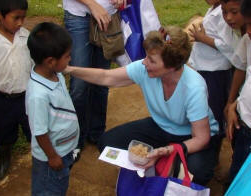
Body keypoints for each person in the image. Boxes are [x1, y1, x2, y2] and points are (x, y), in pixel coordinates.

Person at [65, 26, 220, 185]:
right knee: (107, 143)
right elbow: (106, 77)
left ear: (172, 66)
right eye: (147, 57)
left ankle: (165, 162)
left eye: (151, 60)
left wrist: (166, 151)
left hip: (191, 136)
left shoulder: (194, 87)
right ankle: (155, 166)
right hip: (161, 127)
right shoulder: (145, 69)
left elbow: (202, 138)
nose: (144, 63)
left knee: (198, 173)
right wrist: (69, 69)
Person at [62, 0, 124, 159]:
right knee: (79, 85)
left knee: (101, 83)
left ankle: (97, 133)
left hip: (108, 16)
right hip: (79, 15)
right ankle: (75, 140)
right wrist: (92, 4)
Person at [26, 22, 80, 196]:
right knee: (49, 190)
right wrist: (52, 157)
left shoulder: (55, 74)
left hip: (65, 150)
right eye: (67, 56)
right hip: (52, 158)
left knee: (60, 186)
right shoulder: (38, 95)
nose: (70, 59)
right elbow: (40, 132)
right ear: (50, 61)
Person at [0, 0, 32, 182]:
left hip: (28, 97)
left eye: (23, 17)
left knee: (35, 130)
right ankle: (4, 162)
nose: (21, 23)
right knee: (3, 133)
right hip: (2, 99)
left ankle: (41, 159)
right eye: (16, 18)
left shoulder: (27, 37)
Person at [189, 0, 244, 140]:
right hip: (206, 67)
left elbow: (228, 46)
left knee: (215, 108)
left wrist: (202, 38)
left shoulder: (222, 14)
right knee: (208, 104)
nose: (229, 16)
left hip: (215, 70)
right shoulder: (216, 9)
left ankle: (214, 140)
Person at [225, 0, 251, 188]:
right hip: (244, 122)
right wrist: (233, 103)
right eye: (248, 24)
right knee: (236, 175)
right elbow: (244, 72)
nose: (248, 31)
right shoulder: (248, 40)